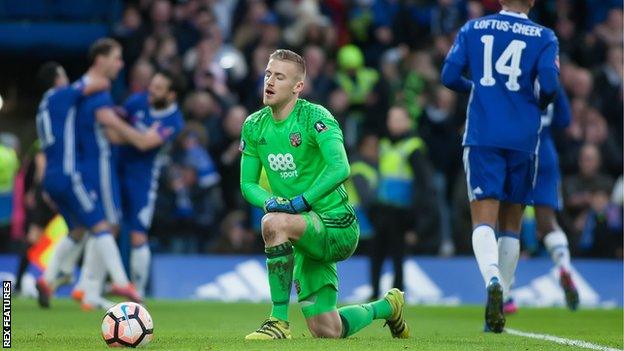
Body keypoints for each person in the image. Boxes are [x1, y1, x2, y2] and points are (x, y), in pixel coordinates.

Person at [239, 49, 408, 340]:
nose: (270, 81)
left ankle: (278, 322)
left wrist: (301, 202)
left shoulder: (315, 117)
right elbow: (247, 184)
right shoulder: (254, 125)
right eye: (268, 74)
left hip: (335, 225)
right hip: (304, 232)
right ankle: (388, 307)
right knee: (327, 330)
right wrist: (268, 200)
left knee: (272, 223)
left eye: (280, 77)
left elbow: (340, 167)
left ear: (297, 87)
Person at [441, 0, 560, 333]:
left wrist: (476, 87)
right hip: (524, 138)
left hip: (483, 135)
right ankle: (502, 298)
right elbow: (549, 85)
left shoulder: (474, 28)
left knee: (484, 217)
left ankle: (491, 278)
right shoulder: (545, 35)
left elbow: (449, 75)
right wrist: (538, 102)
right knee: (512, 223)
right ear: (532, 1)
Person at [33, 59, 141, 309]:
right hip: (68, 174)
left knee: (78, 229)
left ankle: (47, 280)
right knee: (102, 225)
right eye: (64, 76)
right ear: (58, 80)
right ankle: (122, 281)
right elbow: (98, 83)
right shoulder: (61, 95)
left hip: (50, 177)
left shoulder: (44, 105)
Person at [109, 70, 185, 296]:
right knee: (106, 226)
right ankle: (98, 283)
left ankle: (138, 292)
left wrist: (117, 125)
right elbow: (112, 135)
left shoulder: (174, 120)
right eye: (152, 85)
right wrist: (134, 135)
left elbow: (145, 144)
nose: (151, 91)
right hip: (115, 169)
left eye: (159, 89)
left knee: (137, 233)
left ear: (171, 95)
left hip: (143, 179)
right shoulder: (136, 101)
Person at [504, 88, 579, 314]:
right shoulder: (552, 81)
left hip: (521, 150)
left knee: (509, 222)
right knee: (548, 222)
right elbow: (564, 120)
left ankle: (507, 292)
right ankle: (564, 267)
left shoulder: (519, 74)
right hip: (546, 152)